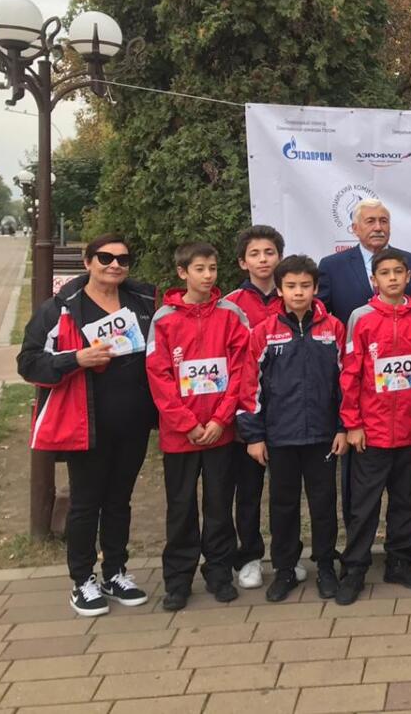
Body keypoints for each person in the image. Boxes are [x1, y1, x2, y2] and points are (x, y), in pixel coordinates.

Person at [18, 234, 156, 617]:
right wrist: (76, 359)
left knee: (119, 500)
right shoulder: (61, 308)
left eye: (123, 259)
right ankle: (82, 580)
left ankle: (115, 572)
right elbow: (28, 362)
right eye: (105, 258)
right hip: (87, 422)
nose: (115, 265)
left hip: (133, 422)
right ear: (88, 261)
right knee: (85, 502)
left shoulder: (142, 301)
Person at [146, 242, 252, 611]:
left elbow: (241, 369)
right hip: (181, 436)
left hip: (220, 432)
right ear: (182, 272)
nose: (208, 276)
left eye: (212, 268)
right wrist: (186, 423)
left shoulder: (231, 314)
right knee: (181, 508)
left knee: (219, 505)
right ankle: (178, 580)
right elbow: (158, 376)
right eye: (199, 269)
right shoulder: (164, 319)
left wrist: (221, 418)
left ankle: (219, 573)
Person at [318, 198, 411, 527]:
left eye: (383, 220)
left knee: (405, 491)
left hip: (406, 403)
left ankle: (402, 549)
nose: (378, 227)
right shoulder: (332, 266)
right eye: (370, 221)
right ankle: (357, 550)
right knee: (360, 487)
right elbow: (324, 320)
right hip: (360, 393)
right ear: (354, 228)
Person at [238, 255, 346, 603]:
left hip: (323, 435)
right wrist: (254, 436)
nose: (298, 292)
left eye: (305, 286)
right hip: (279, 435)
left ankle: (326, 566)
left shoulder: (334, 328)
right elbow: (249, 387)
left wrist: (343, 427)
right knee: (283, 505)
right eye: (291, 286)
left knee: (324, 503)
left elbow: (346, 383)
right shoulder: (264, 332)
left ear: (316, 288)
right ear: (280, 290)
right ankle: (284, 568)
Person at [336, 248, 411, 604]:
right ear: (374, 280)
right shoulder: (360, 318)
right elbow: (350, 374)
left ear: (408, 276)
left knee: (407, 501)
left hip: (408, 429)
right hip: (371, 431)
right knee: (364, 505)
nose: (392, 278)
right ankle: (355, 568)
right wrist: (353, 423)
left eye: (398, 272)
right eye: (385, 273)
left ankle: (400, 561)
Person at [224, 225, 285, 591]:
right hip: (247, 414)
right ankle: (248, 557)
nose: (263, 260)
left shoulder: (295, 296)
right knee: (247, 492)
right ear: (242, 262)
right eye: (255, 254)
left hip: (288, 413)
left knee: (285, 493)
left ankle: (285, 557)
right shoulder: (230, 305)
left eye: (269, 252)